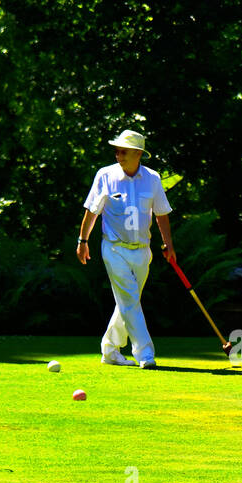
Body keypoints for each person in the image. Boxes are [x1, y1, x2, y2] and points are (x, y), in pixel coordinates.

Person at [76, 130, 174, 368]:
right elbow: (92, 210)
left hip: (142, 251)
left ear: (138, 154)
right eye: (117, 151)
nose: (118, 155)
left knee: (128, 302)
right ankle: (146, 354)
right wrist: (83, 240)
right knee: (129, 299)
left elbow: (161, 213)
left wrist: (168, 244)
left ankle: (110, 350)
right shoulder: (105, 175)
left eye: (124, 151)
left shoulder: (153, 178)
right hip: (114, 248)